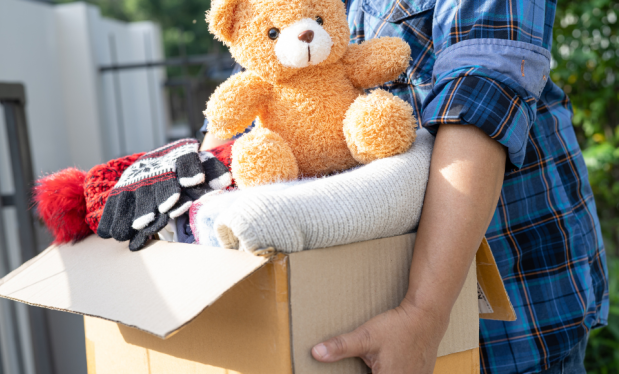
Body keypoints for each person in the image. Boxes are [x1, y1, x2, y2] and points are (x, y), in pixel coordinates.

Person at [200, 0, 609, 372]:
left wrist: (423, 315)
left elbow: (481, 93)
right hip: (350, 301)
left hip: (511, 287)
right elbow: (247, 85)